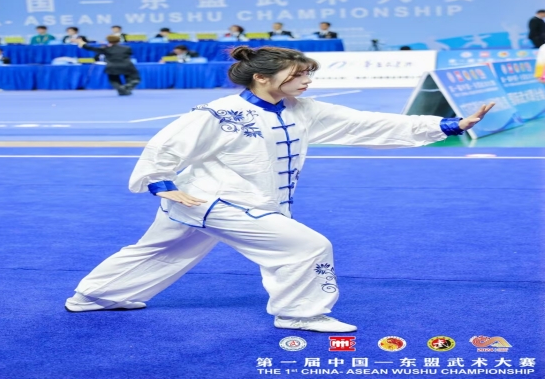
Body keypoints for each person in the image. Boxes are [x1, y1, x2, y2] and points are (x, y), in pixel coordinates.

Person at [64, 46, 495, 332]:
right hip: (214, 201)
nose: (307, 81)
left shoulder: (302, 109)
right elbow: (167, 145)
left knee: (161, 249)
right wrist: (160, 184)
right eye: (298, 75)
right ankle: (300, 313)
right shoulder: (219, 113)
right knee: (307, 246)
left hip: (222, 202)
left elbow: (366, 123)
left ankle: (94, 296)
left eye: (308, 74)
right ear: (262, 78)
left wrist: (448, 124)